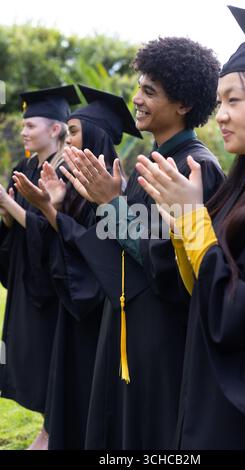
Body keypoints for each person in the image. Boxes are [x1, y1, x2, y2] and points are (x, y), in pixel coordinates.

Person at [135, 7, 245, 449]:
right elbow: (203, 292)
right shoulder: (243, 185)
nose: (221, 115)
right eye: (220, 100)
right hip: (200, 377)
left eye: (234, 100)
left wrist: (189, 222)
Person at [61, 38, 224, 449]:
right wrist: (106, 203)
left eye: (150, 91)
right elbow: (120, 250)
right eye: (139, 87)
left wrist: (111, 205)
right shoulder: (149, 164)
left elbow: (171, 263)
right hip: (126, 326)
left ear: (183, 103)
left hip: (163, 337)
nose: (136, 99)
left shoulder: (195, 167)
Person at [12, 84, 142, 449]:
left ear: (96, 139)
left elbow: (95, 256)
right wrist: (48, 208)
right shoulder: (75, 185)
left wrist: (46, 211)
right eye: (66, 135)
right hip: (75, 310)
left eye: (74, 135)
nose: (66, 146)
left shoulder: (118, 194)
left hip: (100, 312)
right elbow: (65, 246)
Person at [0, 85, 80, 450]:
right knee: (28, 353)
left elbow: (53, 230)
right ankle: (48, 429)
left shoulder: (66, 170)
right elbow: (18, 224)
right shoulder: (25, 165)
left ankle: (51, 431)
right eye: (23, 125)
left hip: (53, 281)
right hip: (26, 274)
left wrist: (9, 205)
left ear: (55, 129)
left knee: (52, 356)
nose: (24, 131)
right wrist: (5, 214)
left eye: (31, 125)